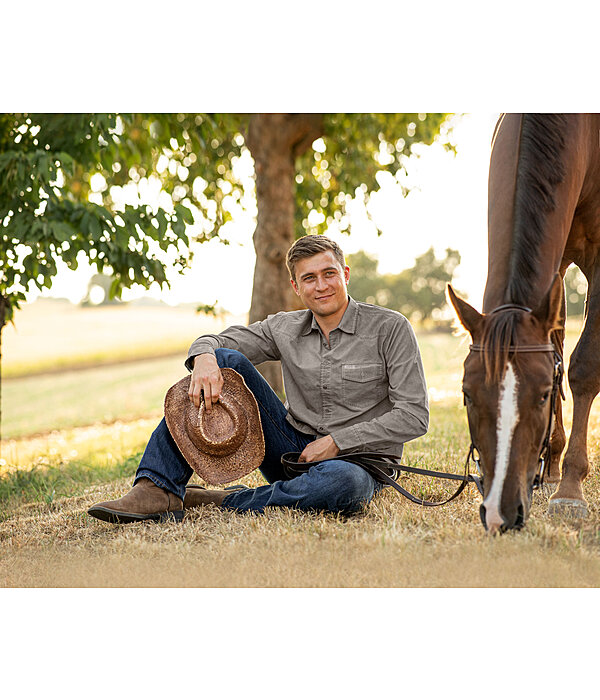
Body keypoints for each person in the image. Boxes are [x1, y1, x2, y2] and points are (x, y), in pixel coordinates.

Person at [88, 235, 429, 523]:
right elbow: (220, 343)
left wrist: (338, 441)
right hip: (291, 453)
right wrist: (205, 357)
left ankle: (222, 501)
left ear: (346, 274)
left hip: (358, 464)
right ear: (296, 286)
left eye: (329, 273)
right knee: (224, 359)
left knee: (345, 486)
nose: (321, 285)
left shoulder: (390, 328)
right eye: (309, 278)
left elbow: (414, 416)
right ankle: (156, 488)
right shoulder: (284, 327)